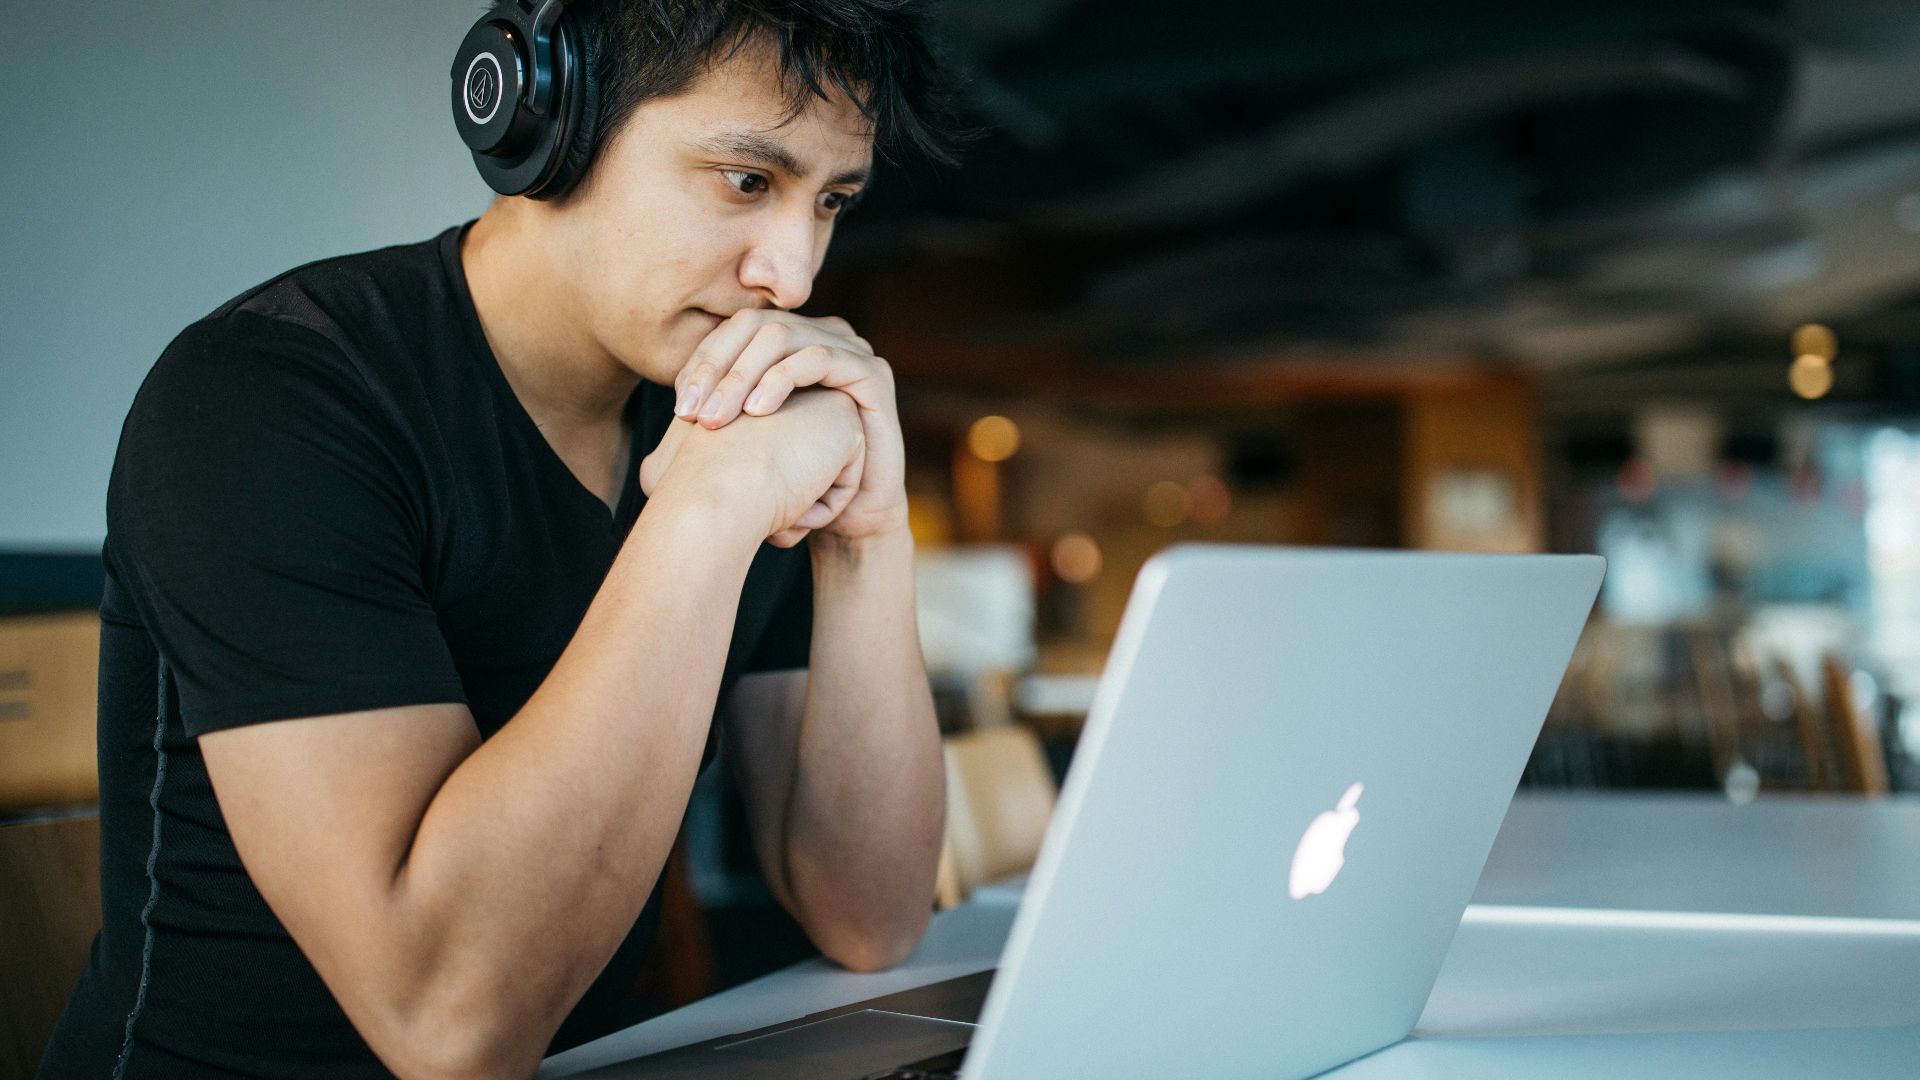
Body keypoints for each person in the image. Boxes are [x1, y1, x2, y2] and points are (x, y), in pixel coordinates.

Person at [39, 1, 966, 1077]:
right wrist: (707, 511)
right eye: (747, 181)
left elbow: (873, 916)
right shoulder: (269, 398)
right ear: (545, 123)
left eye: (833, 200)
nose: (794, 276)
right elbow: (447, 1023)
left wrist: (867, 531)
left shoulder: (722, 417)